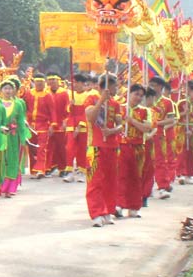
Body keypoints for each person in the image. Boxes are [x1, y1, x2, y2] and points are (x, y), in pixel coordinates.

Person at [86, 75, 123, 227]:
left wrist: (112, 131)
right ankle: (96, 213)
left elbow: (121, 125)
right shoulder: (92, 100)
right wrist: (101, 100)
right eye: (114, 87)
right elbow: (91, 118)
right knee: (95, 181)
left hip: (112, 147)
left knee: (110, 181)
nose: (116, 89)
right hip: (95, 147)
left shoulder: (115, 104)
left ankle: (107, 210)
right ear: (104, 88)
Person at [116, 84, 153, 218]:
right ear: (129, 93)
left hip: (138, 148)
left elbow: (147, 128)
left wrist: (132, 121)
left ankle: (134, 206)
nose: (138, 98)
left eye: (141, 96)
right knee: (121, 176)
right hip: (122, 146)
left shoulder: (145, 111)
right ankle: (119, 204)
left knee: (136, 177)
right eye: (136, 94)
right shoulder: (120, 108)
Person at [0, 78, 30, 197]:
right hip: (0, 136)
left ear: (14, 90)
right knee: (1, 160)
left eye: (10, 88)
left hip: (13, 136)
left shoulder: (18, 104)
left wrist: (23, 137)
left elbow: (21, 121)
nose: (8, 91)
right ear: (0, 90)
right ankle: (0, 186)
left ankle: (11, 187)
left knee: (13, 160)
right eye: (5, 88)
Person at [64, 74, 97, 183]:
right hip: (71, 123)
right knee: (69, 147)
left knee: (82, 149)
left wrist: (80, 125)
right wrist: (70, 105)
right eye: (73, 82)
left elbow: (86, 111)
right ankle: (69, 171)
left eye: (76, 82)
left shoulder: (89, 95)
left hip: (83, 123)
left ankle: (82, 171)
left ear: (82, 83)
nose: (74, 85)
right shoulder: (69, 94)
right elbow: (67, 111)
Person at [147, 77, 176, 200]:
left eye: (154, 85)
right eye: (150, 85)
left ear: (160, 86)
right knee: (146, 162)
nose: (152, 87)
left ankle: (162, 186)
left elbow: (172, 119)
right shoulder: (145, 100)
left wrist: (157, 123)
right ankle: (146, 189)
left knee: (160, 161)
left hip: (159, 134)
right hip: (144, 133)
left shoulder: (167, 102)